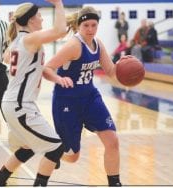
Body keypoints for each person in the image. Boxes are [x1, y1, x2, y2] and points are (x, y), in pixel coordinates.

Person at [42, 6, 122, 186]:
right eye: (86, 25)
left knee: (113, 140)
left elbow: (110, 71)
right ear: (79, 26)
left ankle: (115, 183)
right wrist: (59, 79)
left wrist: (126, 66)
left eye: (94, 25)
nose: (91, 29)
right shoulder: (73, 45)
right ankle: (52, 150)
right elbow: (47, 69)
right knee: (72, 157)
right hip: (67, 101)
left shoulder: (98, 44)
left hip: (90, 98)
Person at [0, 0, 66, 186]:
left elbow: (9, 58)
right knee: (56, 149)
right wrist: (58, 4)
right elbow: (59, 31)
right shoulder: (29, 39)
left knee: (28, 147)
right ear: (32, 19)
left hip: (16, 104)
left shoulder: (20, 40)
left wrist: (57, 79)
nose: (42, 18)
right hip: (20, 106)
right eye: (40, 15)